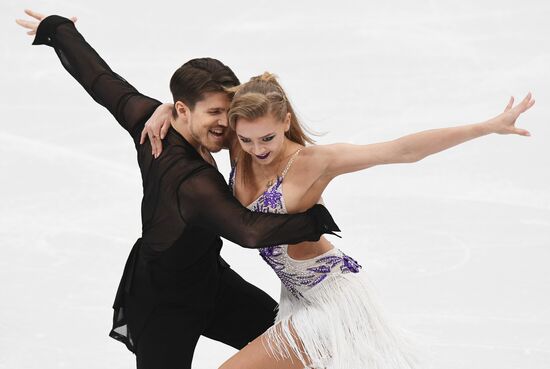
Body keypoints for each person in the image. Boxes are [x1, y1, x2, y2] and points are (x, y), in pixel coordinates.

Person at [16, 10, 343, 369]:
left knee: (294, 348)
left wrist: (58, 30)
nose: (226, 124)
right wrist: (314, 221)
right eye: (215, 112)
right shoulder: (188, 179)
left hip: (209, 282)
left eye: (229, 111)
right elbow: (248, 231)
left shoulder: (151, 118)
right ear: (186, 110)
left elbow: (101, 81)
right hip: (162, 303)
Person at [145, 73, 534, 368]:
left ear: (284, 121)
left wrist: (485, 127)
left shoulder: (313, 162)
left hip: (332, 302)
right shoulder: (242, 140)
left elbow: (402, 151)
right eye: (246, 140)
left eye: (267, 139)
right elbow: (202, 108)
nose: (257, 149)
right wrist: (167, 109)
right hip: (295, 298)